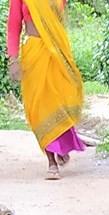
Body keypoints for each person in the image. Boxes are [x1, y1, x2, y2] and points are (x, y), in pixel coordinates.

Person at [6, 0, 86, 180]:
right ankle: (51, 161)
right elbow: (13, 26)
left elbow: (58, 21)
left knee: (60, 100)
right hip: (34, 52)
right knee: (40, 105)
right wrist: (13, 59)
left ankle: (61, 144)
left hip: (57, 50)